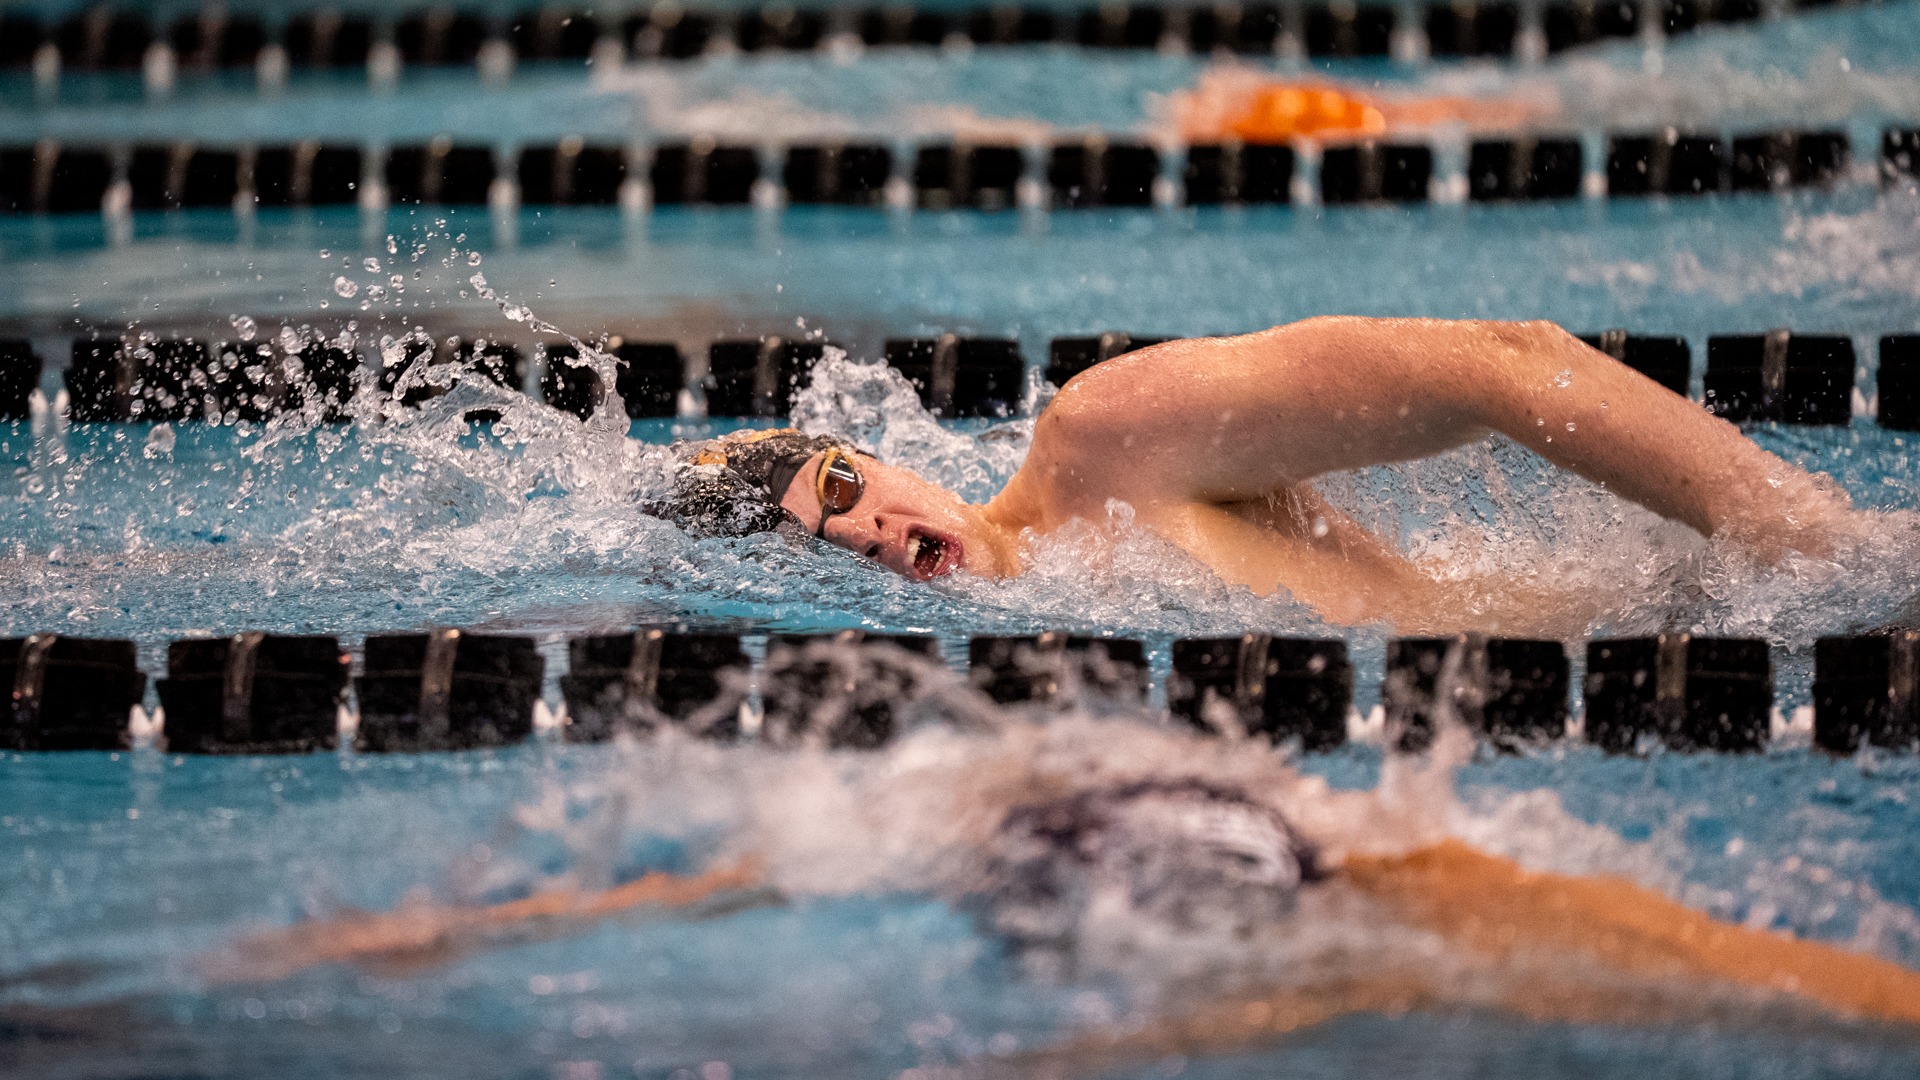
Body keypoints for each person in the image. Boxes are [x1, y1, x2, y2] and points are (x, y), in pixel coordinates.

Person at [654, 318, 1857, 631]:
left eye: (846, 494)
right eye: (821, 548)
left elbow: (1508, 364)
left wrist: (1815, 545)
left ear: (875, 456)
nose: (864, 536)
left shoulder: (1102, 443)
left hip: (1748, 620)